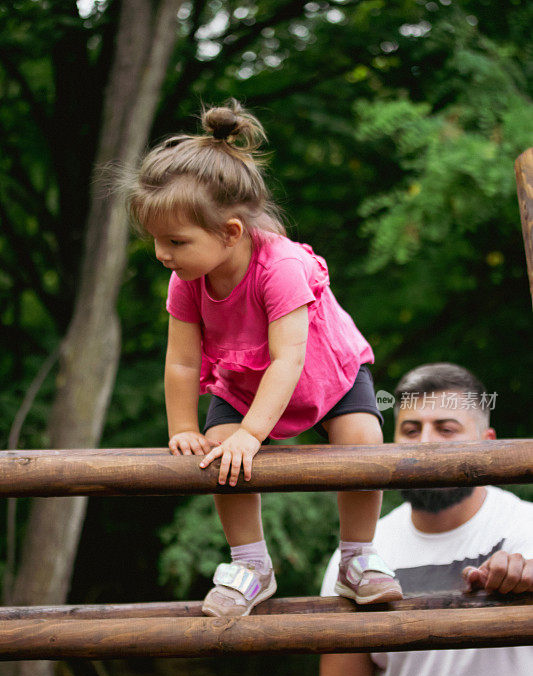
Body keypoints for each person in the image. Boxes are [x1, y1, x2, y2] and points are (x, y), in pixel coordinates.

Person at [127, 98, 402, 617]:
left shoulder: (281, 267)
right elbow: (183, 363)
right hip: (243, 382)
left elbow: (288, 360)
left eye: (176, 241)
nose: (162, 253)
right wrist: (183, 427)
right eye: (156, 241)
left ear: (231, 232)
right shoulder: (186, 280)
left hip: (326, 374)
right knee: (218, 450)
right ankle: (251, 565)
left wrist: (255, 435)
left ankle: (358, 557)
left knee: (363, 444)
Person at [310, 362, 533, 676]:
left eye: (445, 429)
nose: (425, 444)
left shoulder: (528, 528)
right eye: (410, 430)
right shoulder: (360, 555)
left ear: (488, 444)